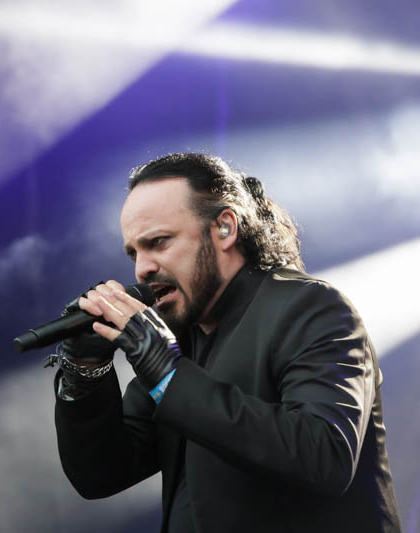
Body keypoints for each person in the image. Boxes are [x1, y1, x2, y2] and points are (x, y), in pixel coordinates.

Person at [51, 153, 401, 532]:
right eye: (134, 252)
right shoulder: (182, 339)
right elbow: (100, 475)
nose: (142, 268)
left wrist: (167, 373)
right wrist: (85, 371)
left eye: (159, 242)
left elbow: (325, 457)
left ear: (224, 228)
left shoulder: (311, 307)